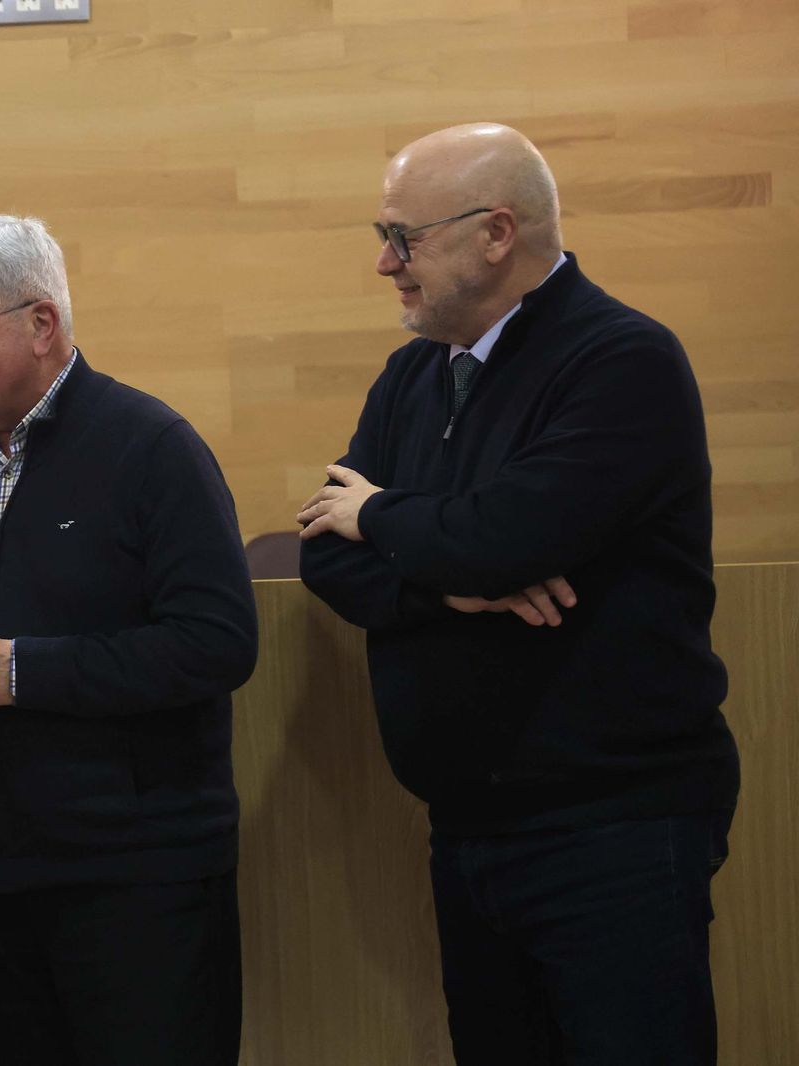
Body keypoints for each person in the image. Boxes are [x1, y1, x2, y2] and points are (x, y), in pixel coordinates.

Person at [297, 124, 739, 1065]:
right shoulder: (415, 373)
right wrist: (448, 591)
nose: (384, 263)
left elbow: (505, 540)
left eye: (403, 237)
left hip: (615, 826)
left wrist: (382, 518)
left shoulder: (621, 360)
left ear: (496, 232)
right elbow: (323, 554)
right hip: (467, 826)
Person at [0, 215, 258, 1066]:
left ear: (41, 324)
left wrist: (24, 673)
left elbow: (219, 642)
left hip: (139, 883)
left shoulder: (152, 448)